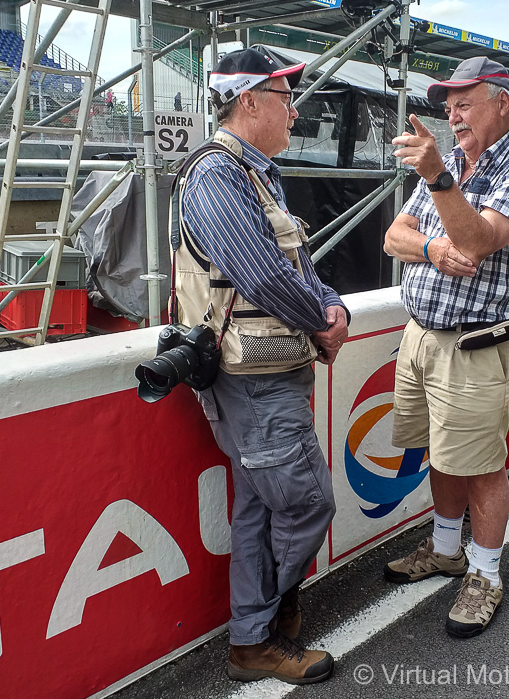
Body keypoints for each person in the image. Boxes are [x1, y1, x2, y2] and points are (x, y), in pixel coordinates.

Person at [173, 49, 348, 684]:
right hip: (253, 382)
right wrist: (325, 321)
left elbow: (298, 269)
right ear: (251, 102)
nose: (295, 112)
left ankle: (256, 636)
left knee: (258, 507)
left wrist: (330, 306)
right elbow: (264, 275)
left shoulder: (253, 174)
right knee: (306, 505)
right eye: (285, 98)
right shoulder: (219, 175)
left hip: (267, 373)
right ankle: (266, 624)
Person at [382, 57, 509, 639]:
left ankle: (485, 574)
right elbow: (393, 237)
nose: (453, 117)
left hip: (478, 345)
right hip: (422, 337)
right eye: (448, 105)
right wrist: (431, 251)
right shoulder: (453, 162)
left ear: (501, 104)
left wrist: (436, 180)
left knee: (481, 465)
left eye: (465, 103)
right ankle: (447, 549)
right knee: (440, 452)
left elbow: (478, 239)